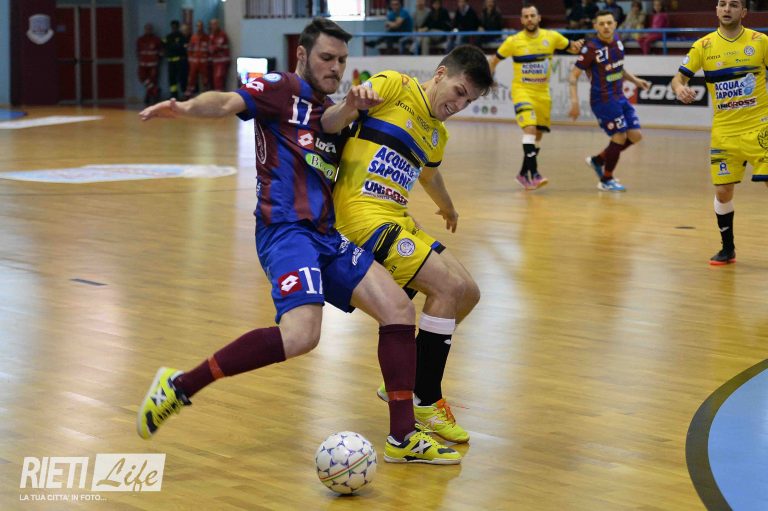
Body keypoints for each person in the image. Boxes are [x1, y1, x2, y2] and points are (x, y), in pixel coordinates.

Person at [136, 18, 461, 465]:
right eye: (327, 58)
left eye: (342, 60)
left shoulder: (333, 110)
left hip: (327, 236)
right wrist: (187, 107)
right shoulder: (280, 88)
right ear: (303, 55)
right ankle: (179, 387)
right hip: (286, 231)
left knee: (399, 310)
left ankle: (403, 437)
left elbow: (342, 130)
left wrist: (355, 110)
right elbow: (227, 101)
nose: (335, 67)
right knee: (302, 335)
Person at [322, 45, 494, 443]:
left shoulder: (437, 133)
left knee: (469, 292)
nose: (459, 105)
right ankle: (425, 401)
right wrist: (351, 103)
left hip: (397, 217)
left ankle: (405, 378)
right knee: (446, 287)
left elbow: (429, 176)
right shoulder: (394, 86)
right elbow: (335, 122)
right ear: (440, 74)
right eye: (459, 91)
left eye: (469, 101)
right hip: (362, 216)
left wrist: (448, 208)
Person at [670, 0, 768, 265]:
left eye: (733, 5)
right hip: (724, 131)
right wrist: (679, 88)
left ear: (743, 12)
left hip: (760, 127)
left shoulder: (760, 41)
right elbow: (678, 78)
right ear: (716, 10)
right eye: (722, 4)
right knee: (723, 192)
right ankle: (728, 248)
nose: (726, 9)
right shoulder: (703, 46)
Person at [489, 3, 584, 190]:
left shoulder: (552, 37)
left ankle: (522, 174)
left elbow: (572, 48)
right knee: (530, 129)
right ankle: (535, 174)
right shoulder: (513, 41)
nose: (529, 19)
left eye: (532, 16)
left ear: (539, 18)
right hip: (522, 91)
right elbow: (494, 61)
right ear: (521, 20)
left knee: (537, 135)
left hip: (542, 94)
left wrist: (578, 45)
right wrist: (489, 80)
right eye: (526, 16)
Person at [568, 10, 650, 192]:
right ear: (595, 26)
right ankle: (606, 179)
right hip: (603, 100)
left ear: (615, 24)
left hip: (619, 97)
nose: (606, 26)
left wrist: (636, 81)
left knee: (635, 135)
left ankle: (598, 160)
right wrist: (574, 102)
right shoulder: (591, 48)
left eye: (609, 23)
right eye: (602, 23)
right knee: (619, 136)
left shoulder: (618, 41)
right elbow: (573, 76)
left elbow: (619, 68)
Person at [136, 23, 163, 105]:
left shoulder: (156, 40)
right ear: (144, 30)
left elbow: (161, 52)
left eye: (149, 29)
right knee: (142, 78)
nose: (148, 30)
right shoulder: (140, 40)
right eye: (147, 29)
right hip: (143, 64)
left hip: (153, 65)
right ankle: (155, 90)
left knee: (153, 80)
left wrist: (157, 59)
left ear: (152, 30)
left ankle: (149, 97)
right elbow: (138, 51)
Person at [185, 20, 209, 97]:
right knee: (191, 79)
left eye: (201, 26)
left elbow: (209, 50)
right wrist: (191, 60)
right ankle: (189, 95)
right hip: (194, 62)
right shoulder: (193, 37)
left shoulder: (207, 37)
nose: (199, 28)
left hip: (204, 62)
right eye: (198, 26)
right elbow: (190, 50)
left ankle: (205, 96)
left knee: (205, 79)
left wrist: (207, 59)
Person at [163, 20, 186, 100]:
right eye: (173, 27)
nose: (174, 28)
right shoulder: (168, 36)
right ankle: (174, 95)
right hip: (170, 61)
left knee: (181, 78)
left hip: (179, 61)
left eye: (175, 27)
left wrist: (174, 46)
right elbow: (165, 46)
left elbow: (181, 47)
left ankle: (184, 94)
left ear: (178, 27)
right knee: (172, 79)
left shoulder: (181, 36)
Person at [207, 19, 230, 91]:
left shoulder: (222, 34)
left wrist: (212, 48)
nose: (213, 26)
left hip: (222, 61)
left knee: (218, 79)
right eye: (212, 24)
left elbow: (216, 47)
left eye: (215, 24)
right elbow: (209, 47)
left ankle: (219, 96)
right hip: (215, 62)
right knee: (214, 80)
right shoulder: (211, 35)